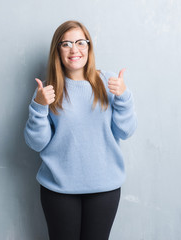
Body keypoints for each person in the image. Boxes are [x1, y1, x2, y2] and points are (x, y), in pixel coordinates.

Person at [24, 20, 137, 240]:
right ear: (57, 50)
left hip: (104, 188)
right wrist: (39, 106)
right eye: (66, 44)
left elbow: (126, 131)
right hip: (59, 189)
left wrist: (124, 98)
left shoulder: (108, 82)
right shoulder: (47, 90)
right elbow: (37, 143)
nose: (74, 49)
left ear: (88, 47)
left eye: (80, 42)